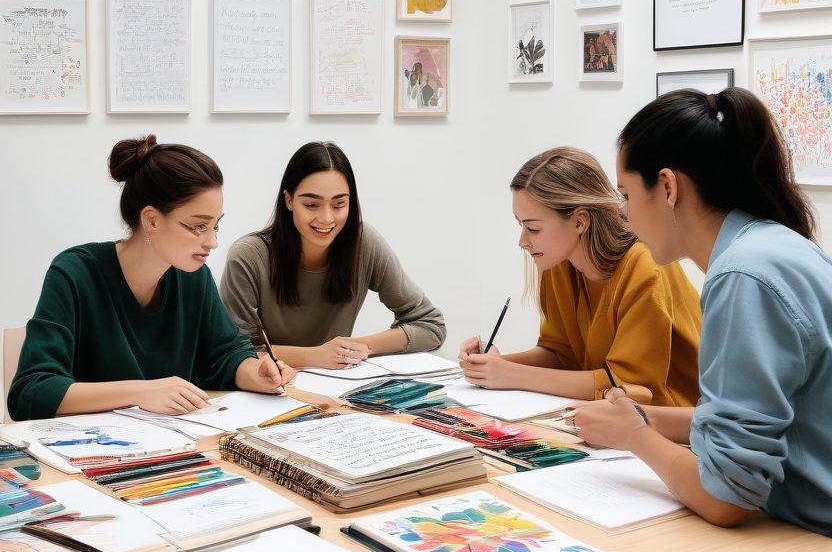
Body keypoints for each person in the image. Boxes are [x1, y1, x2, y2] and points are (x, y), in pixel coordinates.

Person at [532, 88, 832, 552]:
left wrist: (635, 437)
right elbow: (753, 423)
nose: (622, 214)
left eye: (625, 195)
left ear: (667, 188)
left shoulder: (743, 277)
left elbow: (727, 497)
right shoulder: (775, 247)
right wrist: (653, 421)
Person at [7, 136, 295, 421]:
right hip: (93, 456)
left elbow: (225, 355)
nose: (212, 242)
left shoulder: (194, 278)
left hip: (178, 448)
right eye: (198, 227)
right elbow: (32, 391)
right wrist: (141, 392)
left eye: (215, 226)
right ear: (152, 220)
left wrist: (256, 373)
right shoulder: (75, 274)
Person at [459, 147, 700, 405]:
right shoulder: (560, 261)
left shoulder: (644, 265)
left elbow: (627, 383)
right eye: (521, 226)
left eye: (532, 228)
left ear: (579, 222)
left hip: (676, 420)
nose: (522, 241)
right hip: (609, 416)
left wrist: (510, 374)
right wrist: (493, 364)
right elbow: (562, 354)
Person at [220, 141, 445, 370]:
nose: (327, 218)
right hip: (268, 389)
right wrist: (315, 356)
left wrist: (359, 347)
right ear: (288, 200)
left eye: (339, 204)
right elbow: (232, 350)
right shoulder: (248, 256)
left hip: (338, 389)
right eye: (311, 204)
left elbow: (431, 326)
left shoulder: (363, 243)